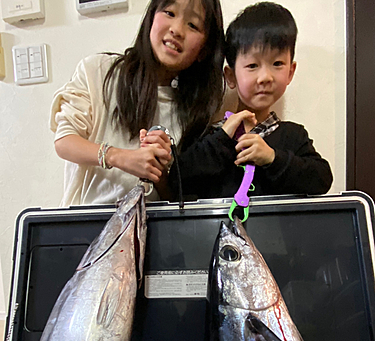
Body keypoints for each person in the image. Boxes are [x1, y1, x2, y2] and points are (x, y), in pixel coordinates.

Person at [50, 0, 224, 206]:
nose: (177, 30)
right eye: (169, 13)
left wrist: (160, 171)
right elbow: (64, 142)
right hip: (87, 226)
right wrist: (118, 157)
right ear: (151, 17)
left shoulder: (198, 110)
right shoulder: (99, 71)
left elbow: (176, 201)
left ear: (204, 50)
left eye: (193, 25)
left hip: (154, 231)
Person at [168, 1, 333, 200]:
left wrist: (272, 158)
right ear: (230, 76)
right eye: (253, 65)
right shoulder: (209, 136)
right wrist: (221, 139)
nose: (265, 77)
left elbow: (322, 179)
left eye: (277, 63)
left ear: (291, 72)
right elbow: (177, 181)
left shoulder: (293, 136)